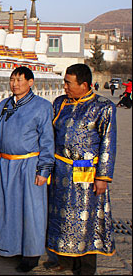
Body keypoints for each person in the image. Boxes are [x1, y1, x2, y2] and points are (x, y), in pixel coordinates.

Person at [47, 63, 116, 275]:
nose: (65, 87)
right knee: (60, 216)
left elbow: (108, 143)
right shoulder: (60, 103)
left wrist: (102, 176)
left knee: (85, 216)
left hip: (85, 168)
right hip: (60, 168)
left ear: (84, 85)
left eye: (69, 83)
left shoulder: (103, 107)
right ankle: (64, 260)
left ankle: (86, 266)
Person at [0, 66, 55, 272]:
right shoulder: (4, 105)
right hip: (7, 163)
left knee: (32, 210)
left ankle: (31, 253)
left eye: (19, 80)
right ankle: (10, 247)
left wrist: (43, 170)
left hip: (29, 164)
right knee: (8, 208)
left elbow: (47, 140)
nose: (15, 84)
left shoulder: (42, 106)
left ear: (31, 82)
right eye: (12, 79)